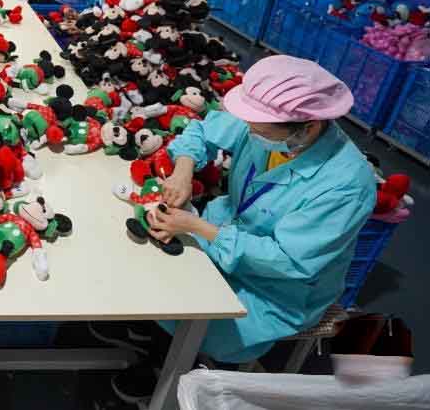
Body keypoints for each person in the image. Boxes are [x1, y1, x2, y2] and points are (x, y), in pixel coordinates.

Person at [94, 55, 375, 404]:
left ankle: (168, 365)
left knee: (196, 311)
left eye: (261, 131)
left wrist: (198, 227)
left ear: (309, 127)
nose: (250, 133)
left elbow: (290, 261)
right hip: (223, 227)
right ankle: (151, 334)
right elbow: (201, 130)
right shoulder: (266, 120)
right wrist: (183, 170)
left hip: (277, 288)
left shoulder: (345, 185)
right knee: (156, 271)